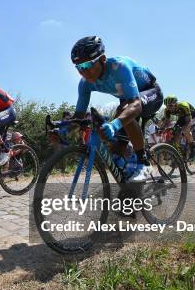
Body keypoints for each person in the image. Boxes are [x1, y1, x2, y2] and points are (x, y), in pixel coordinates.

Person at [70, 36, 163, 182]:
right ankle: (131, 191)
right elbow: (78, 117)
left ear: (103, 59)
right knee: (115, 153)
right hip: (128, 100)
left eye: (87, 65)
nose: (83, 72)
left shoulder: (119, 67)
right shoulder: (85, 84)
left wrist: (114, 124)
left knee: (123, 111)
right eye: (79, 67)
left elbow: (136, 105)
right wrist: (62, 130)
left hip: (150, 92)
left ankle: (143, 163)